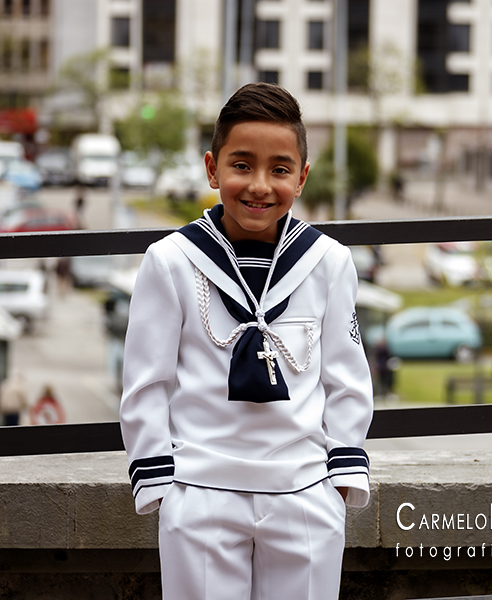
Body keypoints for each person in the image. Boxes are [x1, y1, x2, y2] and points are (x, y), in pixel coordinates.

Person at [119, 83, 374, 600]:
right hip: (202, 492)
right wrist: (164, 488)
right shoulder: (170, 261)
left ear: (301, 178)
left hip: (303, 491)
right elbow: (146, 382)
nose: (259, 185)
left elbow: (347, 377)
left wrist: (340, 479)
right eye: (241, 165)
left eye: (279, 169)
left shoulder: (328, 262)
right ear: (212, 168)